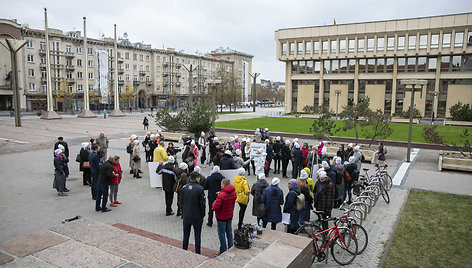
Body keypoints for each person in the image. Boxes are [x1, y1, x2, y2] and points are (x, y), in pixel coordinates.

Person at [180, 171, 206, 254]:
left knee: (185, 235)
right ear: (197, 178)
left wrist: (183, 212)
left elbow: (181, 202)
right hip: (197, 216)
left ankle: (184, 250)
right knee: (197, 235)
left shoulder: (184, 188)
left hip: (186, 215)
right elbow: (202, 204)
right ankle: (197, 252)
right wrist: (202, 214)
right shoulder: (200, 189)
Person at [212, 178, 237, 254]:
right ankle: (231, 247)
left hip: (221, 217)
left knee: (221, 234)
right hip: (229, 215)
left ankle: (223, 250)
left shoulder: (221, 196)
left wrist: (214, 202)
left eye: (221, 184)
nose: (220, 185)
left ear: (224, 185)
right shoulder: (233, 192)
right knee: (229, 233)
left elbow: (215, 207)